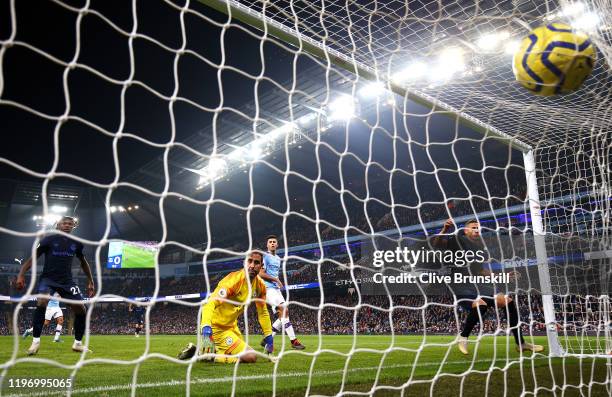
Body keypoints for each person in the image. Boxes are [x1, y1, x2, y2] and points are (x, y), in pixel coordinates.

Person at [433, 218, 543, 355]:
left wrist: (504, 276)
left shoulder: (479, 248)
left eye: (478, 227)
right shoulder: (458, 240)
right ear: (465, 230)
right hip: (458, 284)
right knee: (481, 304)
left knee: (507, 301)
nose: (476, 229)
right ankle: (463, 337)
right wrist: (445, 230)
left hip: (475, 284)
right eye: (473, 227)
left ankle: (521, 343)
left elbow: (481, 272)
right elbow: (436, 244)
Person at [16, 216, 95, 355]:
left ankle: (77, 344)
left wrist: (91, 280)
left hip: (67, 281)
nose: (67, 225)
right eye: (64, 223)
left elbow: (83, 262)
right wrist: (21, 274)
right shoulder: (48, 240)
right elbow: (33, 258)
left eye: (70, 223)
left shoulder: (76, 243)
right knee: (42, 301)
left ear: (73, 226)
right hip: (48, 279)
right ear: (58, 225)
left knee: (81, 310)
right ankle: (35, 342)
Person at [178, 251, 273, 363]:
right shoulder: (233, 281)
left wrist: (269, 335)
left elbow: (262, 312)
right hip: (217, 328)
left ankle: (203, 352)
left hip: (232, 327)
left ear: (262, 266)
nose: (252, 265)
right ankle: (201, 354)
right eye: (249, 261)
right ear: (244, 263)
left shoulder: (260, 286)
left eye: (256, 263)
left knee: (234, 352)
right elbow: (210, 303)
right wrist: (206, 327)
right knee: (251, 357)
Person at [258, 235, 305, 350]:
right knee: (284, 310)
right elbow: (261, 273)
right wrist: (276, 280)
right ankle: (294, 341)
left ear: (277, 244)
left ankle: (267, 340)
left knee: (283, 315)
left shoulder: (278, 258)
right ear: (267, 245)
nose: (273, 243)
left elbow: (273, 273)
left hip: (276, 290)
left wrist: (277, 282)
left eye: (274, 242)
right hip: (267, 289)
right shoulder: (265, 257)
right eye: (270, 242)